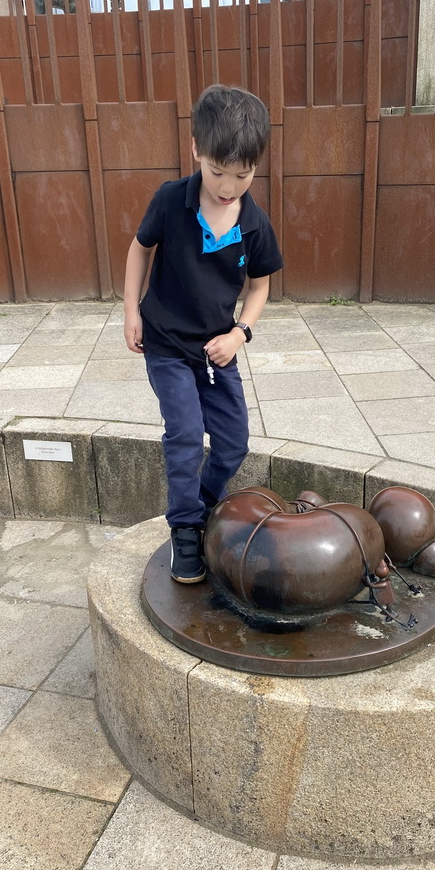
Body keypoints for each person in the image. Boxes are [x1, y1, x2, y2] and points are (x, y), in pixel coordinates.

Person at [123, 84, 283, 584]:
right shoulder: (172, 200)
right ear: (196, 149)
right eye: (218, 171)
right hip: (166, 343)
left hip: (217, 352)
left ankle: (200, 503)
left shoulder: (254, 223)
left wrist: (240, 333)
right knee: (187, 435)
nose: (229, 186)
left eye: (243, 174)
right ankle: (185, 529)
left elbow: (260, 285)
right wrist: (130, 309)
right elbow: (138, 249)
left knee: (233, 443)